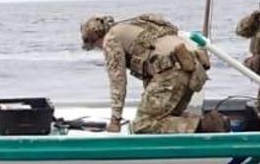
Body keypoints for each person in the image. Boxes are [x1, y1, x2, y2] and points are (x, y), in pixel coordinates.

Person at [80, 14, 210, 134]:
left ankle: (207, 125)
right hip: (193, 67)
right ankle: (209, 124)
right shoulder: (136, 25)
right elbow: (151, 66)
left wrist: (115, 120)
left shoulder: (110, 38)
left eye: (95, 46)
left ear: (95, 37)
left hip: (172, 70)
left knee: (143, 125)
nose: (100, 49)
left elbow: (117, 81)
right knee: (167, 116)